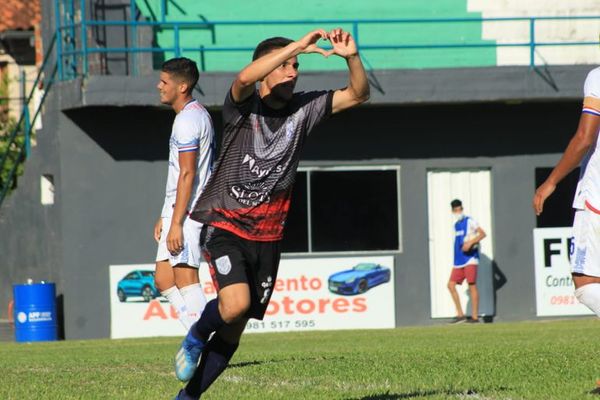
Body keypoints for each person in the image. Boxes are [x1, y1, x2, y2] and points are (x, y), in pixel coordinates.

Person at [172, 28, 370, 399]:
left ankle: (188, 397)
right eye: (285, 66)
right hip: (225, 224)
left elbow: (359, 94)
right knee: (236, 304)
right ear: (266, 70)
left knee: (235, 327)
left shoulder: (304, 108)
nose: (293, 72)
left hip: (268, 237)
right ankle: (196, 335)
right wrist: (296, 46)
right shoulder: (242, 106)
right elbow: (244, 78)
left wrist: (351, 58)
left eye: (296, 66)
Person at [533, 66, 600, 317]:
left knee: (586, 284)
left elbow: (584, 138)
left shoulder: (598, 77)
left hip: (596, 194)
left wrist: (551, 181)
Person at [153, 57, 214, 330]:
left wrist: (177, 222)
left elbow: (188, 174)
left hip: (189, 212)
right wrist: (165, 215)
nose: (159, 86)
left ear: (182, 86)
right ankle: (194, 334)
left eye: (164, 82)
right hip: (176, 209)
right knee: (164, 280)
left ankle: (204, 344)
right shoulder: (192, 114)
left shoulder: (188, 121)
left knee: (186, 280)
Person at [447, 199, 486, 324]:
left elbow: (482, 234)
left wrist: (471, 242)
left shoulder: (470, 221)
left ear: (462, 209)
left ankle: (475, 317)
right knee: (451, 285)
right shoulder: (455, 225)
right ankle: (460, 314)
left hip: (470, 259)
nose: (458, 212)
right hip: (459, 260)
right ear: (453, 211)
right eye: (456, 210)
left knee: (471, 284)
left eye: (460, 209)